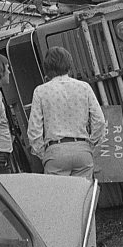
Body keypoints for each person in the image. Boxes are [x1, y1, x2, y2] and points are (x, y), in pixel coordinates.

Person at [27, 46, 105, 178]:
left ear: (47, 68)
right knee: (83, 196)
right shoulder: (84, 87)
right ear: (69, 65)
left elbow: (34, 130)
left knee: (59, 197)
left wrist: (43, 153)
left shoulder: (40, 91)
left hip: (55, 151)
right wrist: (90, 144)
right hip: (82, 149)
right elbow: (100, 121)